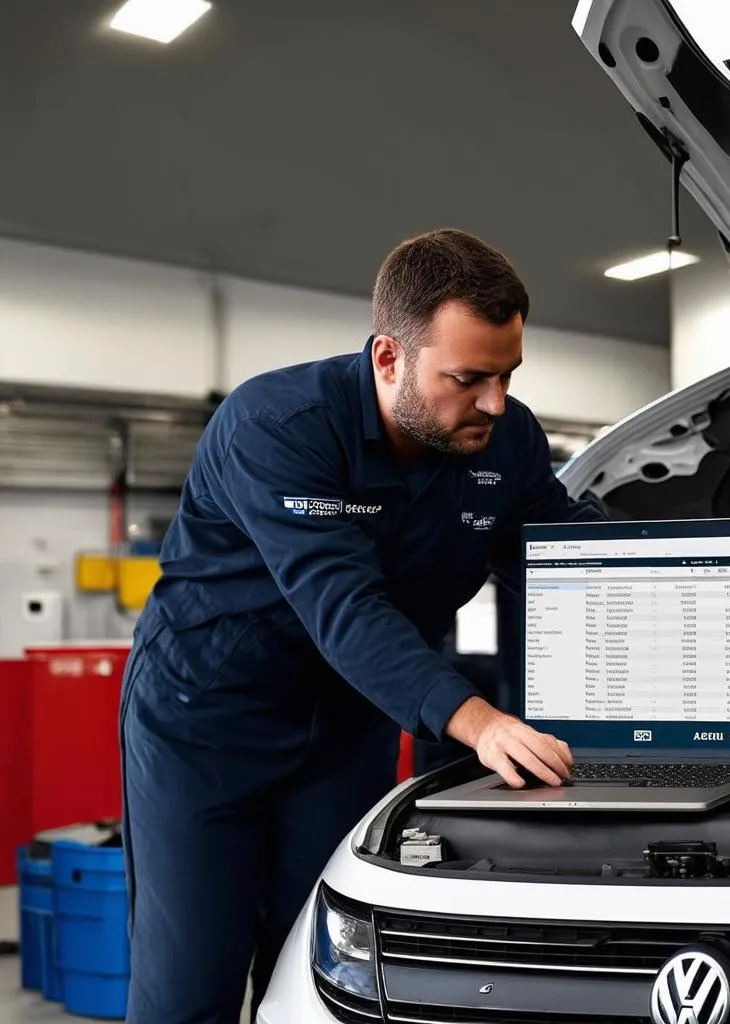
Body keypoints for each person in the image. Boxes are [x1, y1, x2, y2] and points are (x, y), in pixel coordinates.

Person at [118, 227, 605, 1023]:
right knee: (187, 987)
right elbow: (342, 604)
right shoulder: (278, 426)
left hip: (348, 728)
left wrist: (695, 575)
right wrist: (478, 724)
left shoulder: (506, 439)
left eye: (509, 375)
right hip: (207, 724)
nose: (494, 402)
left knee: (323, 979)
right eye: (468, 377)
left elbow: (563, 555)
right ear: (389, 359)